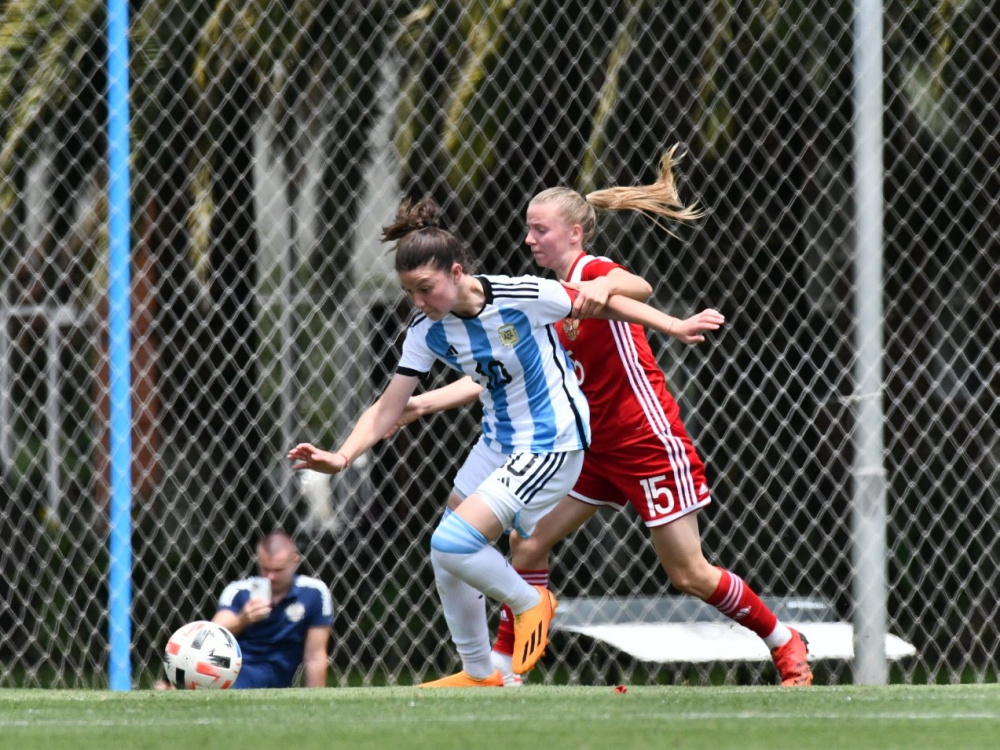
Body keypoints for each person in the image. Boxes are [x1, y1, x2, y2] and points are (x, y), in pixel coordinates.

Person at [393, 148, 813, 687]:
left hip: (643, 439)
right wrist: (422, 403)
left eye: (540, 229)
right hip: (585, 446)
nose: (529, 239)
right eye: (528, 228)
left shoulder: (589, 271)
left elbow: (638, 287)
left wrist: (611, 289)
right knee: (528, 542)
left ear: (574, 234)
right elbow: (497, 376)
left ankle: (782, 639)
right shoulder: (540, 298)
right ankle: (502, 672)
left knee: (689, 573)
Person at [287, 196, 716, 688]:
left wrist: (673, 325)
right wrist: (341, 456)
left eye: (425, 288)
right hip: (499, 442)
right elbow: (388, 406)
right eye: (409, 293)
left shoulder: (519, 294)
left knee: (453, 541)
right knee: (446, 556)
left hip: (551, 440)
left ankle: (531, 602)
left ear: (456, 272)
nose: (419, 302)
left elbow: (611, 299)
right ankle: (479, 673)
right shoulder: (426, 331)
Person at [212, 530, 333, 688]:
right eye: (265, 569)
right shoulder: (238, 591)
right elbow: (212, 635)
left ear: (295, 561)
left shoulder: (313, 592)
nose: (270, 577)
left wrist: (315, 700)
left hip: (278, 682)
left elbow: (315, 657)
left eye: (278, 570)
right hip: (234, 679)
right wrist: (242, 619)